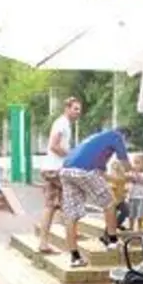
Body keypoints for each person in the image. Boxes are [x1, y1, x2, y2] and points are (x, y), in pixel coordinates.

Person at [57, 125, 131, 266]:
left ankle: (75, 257)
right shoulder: (116, 136)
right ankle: (112, 240)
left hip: (66, 171)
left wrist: (116, 179)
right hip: (85, 171)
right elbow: (126, 164)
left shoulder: (96, 138)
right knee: (109, 203)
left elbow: (100, 174)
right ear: (124, 136)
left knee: (71, 214)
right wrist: (135, 174)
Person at [34, 97, 82, 255]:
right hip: (56, 169)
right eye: (75, 109)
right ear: (67, 108)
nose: (78, 112)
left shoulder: (63, 123)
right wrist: (71, 156)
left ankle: (44, 242)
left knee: (51, 205)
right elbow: (54, 146)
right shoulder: (62, 123)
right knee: (72, 199)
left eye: (79, 109)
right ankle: (72, 238)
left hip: (51, 168)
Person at [125, 152, 143, 233]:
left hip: (141, 198)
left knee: (140, 214)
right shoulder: (132, 173)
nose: (135, 165)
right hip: (131, 196)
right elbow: (127, 178)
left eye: (137, 163)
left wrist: (134, 173)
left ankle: (140, 227)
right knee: (131, 213)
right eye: (134, 163)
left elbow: (140, 180)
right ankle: (131, 227)